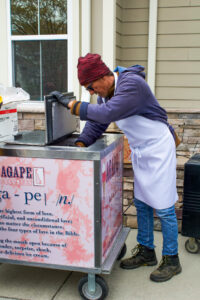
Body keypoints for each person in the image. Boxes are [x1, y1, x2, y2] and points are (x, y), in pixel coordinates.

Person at [50, 53, 182, 282]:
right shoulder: (106, 95)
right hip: (142, 150)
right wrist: (80, 144)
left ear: (103, 76)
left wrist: (73, 105)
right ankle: (147, 251)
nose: (90, 92)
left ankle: (172, 259)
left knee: (164, 206)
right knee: (141, 202)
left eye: (90, 87)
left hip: (159, 148)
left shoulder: (132, 85)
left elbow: (108, 114)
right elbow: (98, 122)